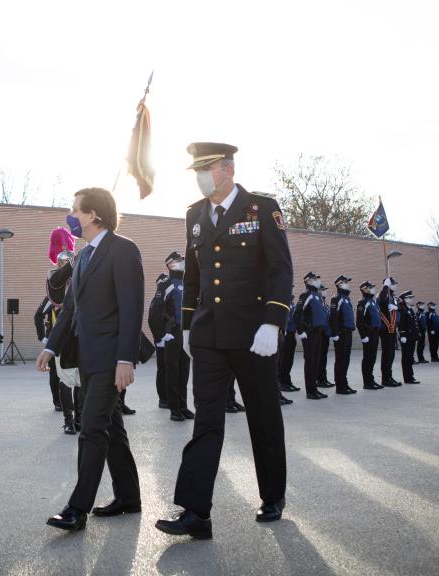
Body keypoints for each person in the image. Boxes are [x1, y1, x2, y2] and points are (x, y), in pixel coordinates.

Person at [156, 142, 292, 539]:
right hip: (209, 336)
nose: (199, 177)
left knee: (263, 415)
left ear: (228, 170)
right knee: (207, 420)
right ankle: (196, 512)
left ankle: (273, 496)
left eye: (206, 168)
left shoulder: (262, 208)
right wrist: (185, 326)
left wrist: (274, 321)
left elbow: (281, 270)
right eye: (196, 170)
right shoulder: (194, 214)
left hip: (254, 335)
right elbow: (195, 276)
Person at [37, 187, 143, 532]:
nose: (71, 215)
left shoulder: (124, 250)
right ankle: (129, 497)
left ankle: (76, 509)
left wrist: (126, 358)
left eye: (74, 210)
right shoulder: (82, 257)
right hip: (87, 356)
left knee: (92, 429)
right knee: (113, 429)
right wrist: (51, 347)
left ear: (93, 214)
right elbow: (69, 310)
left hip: (112, 359)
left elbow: (131, 308)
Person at [42, 249, 83, 434]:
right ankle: (68, 420)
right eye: (64, 262)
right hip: (63, 334)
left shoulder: (82, 276)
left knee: (81, 379)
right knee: (66, 379)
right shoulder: (55, 278)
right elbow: (56, 292)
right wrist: (70, 267)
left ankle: (80, 418)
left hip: (81, 333)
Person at [160, 251, 194, 421]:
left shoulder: (187, 282)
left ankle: (183, 406)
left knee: (184, 372)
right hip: (172, 334)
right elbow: (157, 310)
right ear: (170, 264)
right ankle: (174, 409)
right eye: (179, 261)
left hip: (185, 333)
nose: (182, 263)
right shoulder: (166, 283)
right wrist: (163, 334)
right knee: (173, 372)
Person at [295, 272, 329, 399]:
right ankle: (310, 391)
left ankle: (314, 388)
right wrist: (300, 331)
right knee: (310, 362)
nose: (317, 281)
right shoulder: (306, 295)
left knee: (316, 361)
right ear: (308, 281)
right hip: (309, 333)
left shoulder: (317, 296)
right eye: (315, 279)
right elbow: (297, 314)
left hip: (318, 333)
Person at [328, 275, 357, 395]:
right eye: (345, 282)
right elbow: (333, 317)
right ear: (339, 284)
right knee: (340, 360)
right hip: (341, 333)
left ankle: (344, 383)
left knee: (346, 359)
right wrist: (334, 333)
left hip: (348, 332)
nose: (347, 284)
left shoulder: (347, 298)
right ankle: (340, 386)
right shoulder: (337, 298)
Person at [147, 270, 171, 409]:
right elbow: (152, 319)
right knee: (162, 369)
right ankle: (163, 398)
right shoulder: (156, 299)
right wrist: (159, 338)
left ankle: (168, 397)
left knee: (169, 369)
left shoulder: (163, 299)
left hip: (168, 337)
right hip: (162, 339)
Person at [355, 281, 384, 390]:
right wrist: (363, 336)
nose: (372, 289)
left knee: (372, 357)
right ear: (364, 289)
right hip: (368, 334)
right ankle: (367, 382)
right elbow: (359, 321)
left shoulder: (372, 301)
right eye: (370, 287)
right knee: (367, 358)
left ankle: (371, 380)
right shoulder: (363, 302)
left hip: (375, 333)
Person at [377, 277, 400, 387]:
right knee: (387, 354)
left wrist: (397, 307)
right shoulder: (384, 294)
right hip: (385, 329)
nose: (395, 285)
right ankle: (385, 379)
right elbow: (381, 299)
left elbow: (398, 309)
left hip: (392, 329)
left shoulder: (393, 297)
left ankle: (389, 376)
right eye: (393, 284)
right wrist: (385, 286)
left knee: (391, 354)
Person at [277, 292, 300, 394]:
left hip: (292, 333)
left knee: (289, 360)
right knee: (284, 360)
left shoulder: (291, 302)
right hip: (285, 334)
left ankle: (287, 381)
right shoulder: (283, 301)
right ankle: (283, 382)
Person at [397, 290, 421, 384]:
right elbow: (401, 323)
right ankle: (408, 378)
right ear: (405, 299)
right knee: (406, 358)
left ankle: (410, 376)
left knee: (410, 357)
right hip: (406, 337)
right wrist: (402, 334)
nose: (411, 299)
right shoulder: (403, 309)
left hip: (411, 336)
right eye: (410, 298)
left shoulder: (409, 309)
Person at [318, 285, 335, 388]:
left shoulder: (325, 304)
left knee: (323, 358)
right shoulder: (318, 302)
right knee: (320, 358)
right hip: (320, 334)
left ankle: (323, 378)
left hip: (326, 335)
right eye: (323, 290)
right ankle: (319, 379)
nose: (325, 292)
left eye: (325, 290)